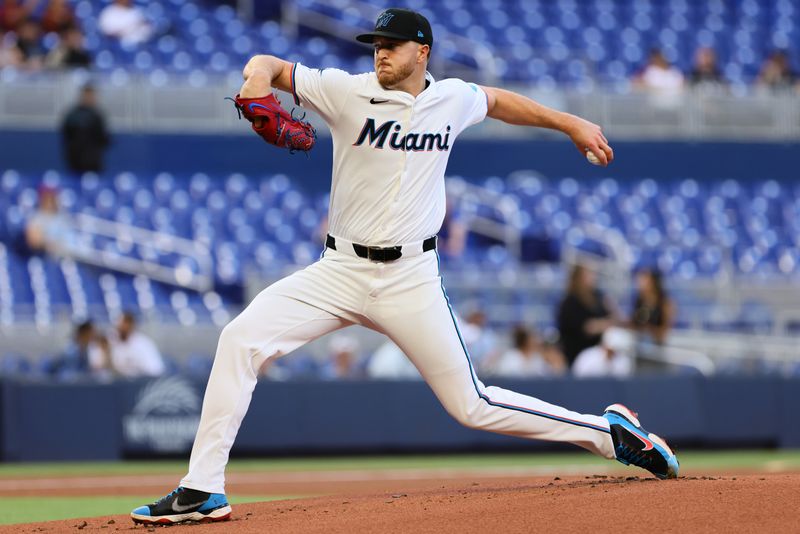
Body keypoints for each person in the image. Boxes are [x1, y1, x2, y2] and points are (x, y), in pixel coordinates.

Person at [131, 8, 678, 525]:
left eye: (391, 46)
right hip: (338, 270)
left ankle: (611, 436)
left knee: (472, 405)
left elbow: (499, 101)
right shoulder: (346, 91)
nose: (380, 54)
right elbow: (270, 65)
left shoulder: (453, 99)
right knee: (239, 338)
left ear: (423, 51)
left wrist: (570, 124)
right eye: (376, 45)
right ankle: (203, 488)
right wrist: (255, 83)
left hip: (409, 278)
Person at [557, 264, 617, 368]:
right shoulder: (570, 302)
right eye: (588, 274)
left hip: (600, 352)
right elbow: (587, 328)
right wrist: (604, 324)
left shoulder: (599, 297)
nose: (593, 278)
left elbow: (615, 318)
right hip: (578, 354)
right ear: (578, 278)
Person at [60, 84, 111, 173]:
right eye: (87, 95)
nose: (89, 98)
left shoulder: (97, 115)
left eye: (91, 95)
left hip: (94, 161)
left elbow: (103, 137)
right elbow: (66, 134)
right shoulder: (73, 114)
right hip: (75, 160)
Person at [492, 325, 565, 378]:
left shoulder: (536, 357)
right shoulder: (511, 356)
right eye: (531, 339)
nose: (535, 341)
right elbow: (504, 376)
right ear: (524, 341)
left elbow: (547, 373)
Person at [108, 311, 166, 378]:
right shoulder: (113, 343)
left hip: (141, 383)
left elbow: (155, 370)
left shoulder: (143, 344)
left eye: (122, 324)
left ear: (130, 324)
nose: (119, 328)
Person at [24, 184, 76, 255]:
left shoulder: (62, 216)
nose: (50, 201)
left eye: (52, 197)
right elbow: (33, 241)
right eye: (47, 198)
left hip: (73, 254)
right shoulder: (37, 218)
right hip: (51, 257)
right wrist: (51, 243)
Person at [630, 268, 674, 345]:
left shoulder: (664, 302)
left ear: (653, 282)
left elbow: (665, 330)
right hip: (639, 343)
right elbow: (633, 324)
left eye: (644, 279)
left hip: (656, 345)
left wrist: (649, 330)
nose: (640, 283)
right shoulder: (639, 301)